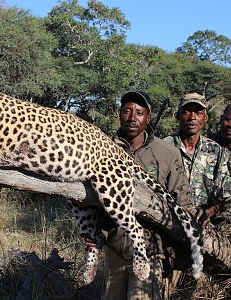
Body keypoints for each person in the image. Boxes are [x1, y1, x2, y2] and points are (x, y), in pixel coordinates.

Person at [86, 91, 192, 300]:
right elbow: (90, 197)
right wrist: (93, 233)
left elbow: (183, 204)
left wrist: (172, 251)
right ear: (119, 114)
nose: (132, 118)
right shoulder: (101, 148)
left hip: (151, 251)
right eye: (127, 111)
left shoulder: (167, 153)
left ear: (148, 118)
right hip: (114, 249)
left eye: (139, 113)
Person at [163, 93, 231, 297]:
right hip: (168, 235)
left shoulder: (217, 152)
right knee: (163, 292)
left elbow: (225, 196)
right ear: (178, 115)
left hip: (203, 238)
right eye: (187, 111)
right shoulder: (162, 147)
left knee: (192, 293)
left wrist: (210, 210)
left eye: (198, 112)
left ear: (205, 118)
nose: (192, 117)